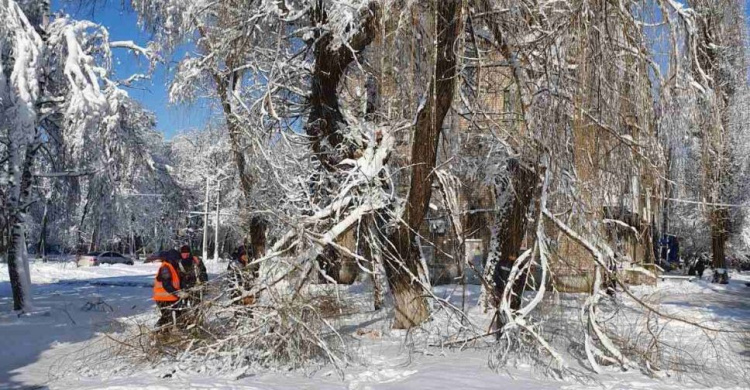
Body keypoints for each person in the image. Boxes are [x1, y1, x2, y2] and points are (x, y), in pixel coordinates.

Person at [153, 249, 186, 328]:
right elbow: (166, 285)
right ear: (172, 258)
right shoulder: (165, 268)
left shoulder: (172, 267)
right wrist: (179, 293)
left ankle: (180, 330)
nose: (178, 261)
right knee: (167, 317)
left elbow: (177, 282)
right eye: (177, 259)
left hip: (171, 297)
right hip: (163, 298)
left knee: (180, 314)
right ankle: (158, 331)